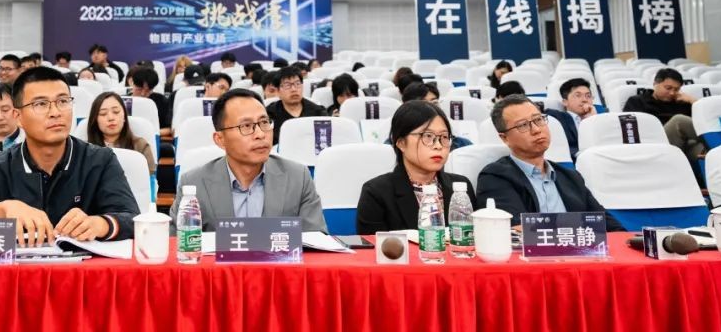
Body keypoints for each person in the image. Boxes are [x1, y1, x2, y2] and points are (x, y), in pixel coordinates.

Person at [0, 67, 140, 245]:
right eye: (41, 104)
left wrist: (100, 224)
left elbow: (132, 218)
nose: (55, 113)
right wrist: (2, 209)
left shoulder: (100, 160)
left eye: (63, 101)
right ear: (18, 117)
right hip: (19, 266)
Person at [169, 89, 326, 232]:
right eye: (246, 126)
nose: (260, 134)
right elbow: (176, 243)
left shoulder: (298, 178)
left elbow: (317, 241)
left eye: (264, 122)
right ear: (220, 139)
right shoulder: (194, 183)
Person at [477, 95, 622, 231]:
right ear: (505, 138)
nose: (536, 130)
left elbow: (607, 225)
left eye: (538, 120)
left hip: (580, 247)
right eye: (523, 125)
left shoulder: (571, 177)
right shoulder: (495, 177)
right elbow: (514, 231)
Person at [356, 101, 476, 234]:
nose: (438, 146)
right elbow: (373, 245)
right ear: (401, 143)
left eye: (444, 137)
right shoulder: (376, 193)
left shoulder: (461, 186)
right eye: (428, 136)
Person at [622, 67, 703, 163]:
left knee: (708, 152)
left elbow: (703, 121)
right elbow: (629, 129)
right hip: (655, 141)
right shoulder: (637, 101)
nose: (672, 93)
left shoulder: (682, 102)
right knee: (678, 120)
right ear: (655, 84)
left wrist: (692, 100)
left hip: (685, 143)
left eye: (676, 89)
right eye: (668, 88)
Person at [87, 92, 156, 174]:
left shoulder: (140, 145)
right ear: (95, 120)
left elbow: (150, 179)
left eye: (116, 112)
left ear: (124, 116)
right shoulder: (86, 150)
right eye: (103, 114)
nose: (111, 118)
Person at [266, 67, 329, 145]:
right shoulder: (269, 114)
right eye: (287, 85)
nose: (294, 89)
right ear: (278, 91)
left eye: (297, 84)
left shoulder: (318, 112)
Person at [546, 78, 596, 159]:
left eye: (588, 96)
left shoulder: (600, 119)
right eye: (578, 95)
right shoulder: (556, 117)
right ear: (565, 102)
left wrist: (593, 120)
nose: (585, 100)